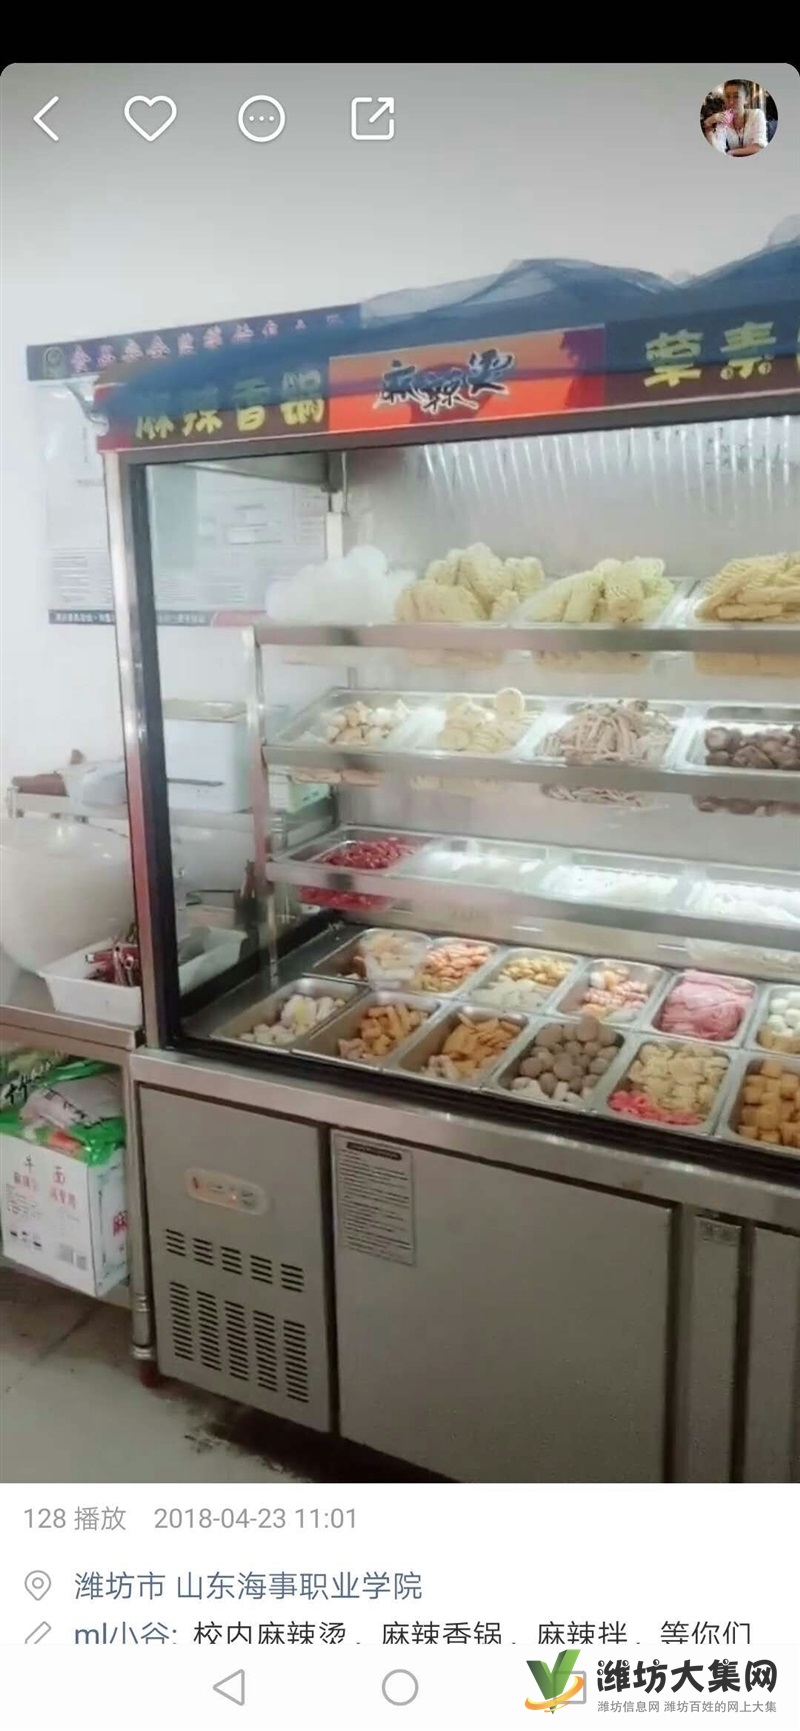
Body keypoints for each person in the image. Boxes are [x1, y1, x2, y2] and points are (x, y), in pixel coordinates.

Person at [704, 80, 768, 156]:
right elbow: (717, 148)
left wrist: (731, 152)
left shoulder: (757, 114)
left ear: (746, 99)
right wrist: (708, 125)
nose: (731, 102)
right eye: (727, 97)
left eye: (736, 97)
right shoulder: (724, 119)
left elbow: (759, 147)